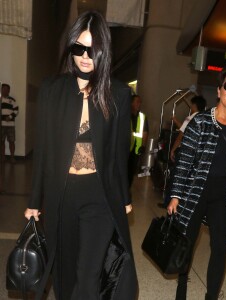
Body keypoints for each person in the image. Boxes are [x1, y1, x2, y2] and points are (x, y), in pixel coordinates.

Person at [24, 10, 138, 300]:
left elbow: (118, 153)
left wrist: (124, 198)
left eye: (94, 49)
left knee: (88, 277)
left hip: (99, 195)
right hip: (61, 196)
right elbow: (44, 152)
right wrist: (34, 202)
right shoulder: (52, 89)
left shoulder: (119, 94)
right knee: (63, 274)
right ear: (71, 47)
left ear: (104, 51)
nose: (86, 56)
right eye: (79, 48)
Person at [167, 66, 226, 300]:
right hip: (196, 192)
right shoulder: (202, 121)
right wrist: (176, 195)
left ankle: (211, 296)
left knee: (220, 249)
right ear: (219, 90)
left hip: (223, 198)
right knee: (187, 243)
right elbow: (184, 161)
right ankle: (181, 291)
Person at [169, 95, 207, 162]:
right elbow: (186, 128)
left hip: (187, 151)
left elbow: (181, 135)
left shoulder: (190, 118)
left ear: (194, 105)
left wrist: (173, 150)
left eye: (191, 104)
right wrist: (176, 121)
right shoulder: (205, 119)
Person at [128, 94, 149, 187]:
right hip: (125, 148)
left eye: (140, 102)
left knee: (131, 171)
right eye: (137, 102)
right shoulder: (125, 115)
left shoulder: (142, 116)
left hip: (136, 149)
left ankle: (127, 189)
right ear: (131, 103)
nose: (139, 104)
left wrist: (143, 145)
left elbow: (145, 132)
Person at [1, 83, 19, 163]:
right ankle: (3, 157)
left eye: (6, 89)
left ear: (9, 90)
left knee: (12, 141)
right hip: (1, 125)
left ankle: (12, 157)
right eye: (3, 89)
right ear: (1, 90)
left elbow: (16, 111)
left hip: (10, 125)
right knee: (1, 141)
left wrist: (10, 117)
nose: (5, 90)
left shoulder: (12, 100)